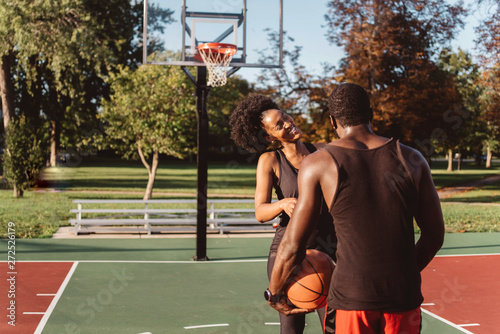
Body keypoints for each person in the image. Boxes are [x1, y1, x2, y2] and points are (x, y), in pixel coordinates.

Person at [266, 83, 445, 333]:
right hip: (403, 295)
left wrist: (274, 292)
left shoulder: (317, 163)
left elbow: (293, 243)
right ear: (371, 113)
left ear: (332, 121)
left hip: (352, 296)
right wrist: (402, 271)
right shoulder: (413, 159)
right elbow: (435, 235)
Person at [229, 94, 337, 334]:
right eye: (279, 125)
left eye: (285, 117)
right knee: (291, 327)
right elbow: (260, 212)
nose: (288, 124)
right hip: (287, 252)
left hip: (327, 248)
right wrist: (283, 204)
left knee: (334, 326)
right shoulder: (270, 160)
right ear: (269, 137)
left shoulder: (323, 151)